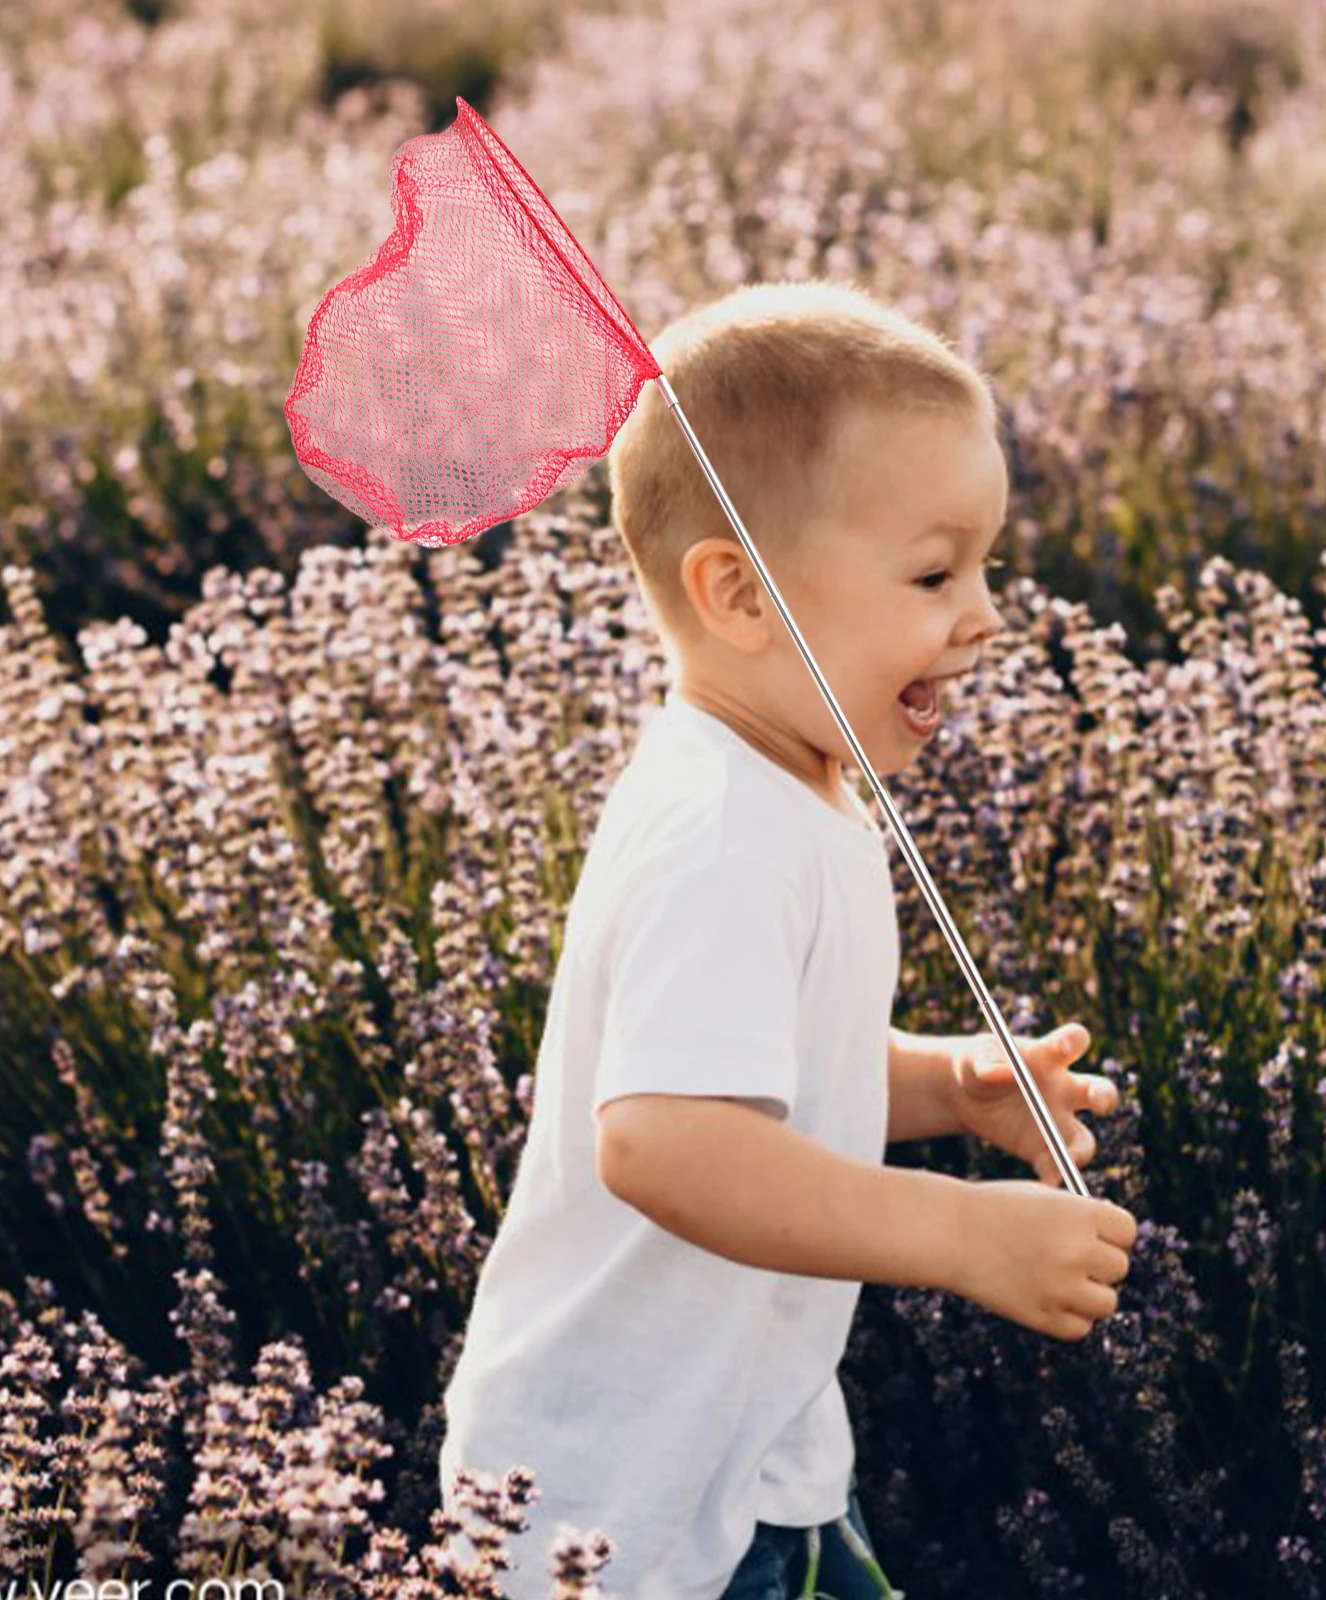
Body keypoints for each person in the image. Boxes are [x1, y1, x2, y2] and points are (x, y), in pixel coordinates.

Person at [438, 279, 1139, 1600]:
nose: (983, 612)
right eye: (935, 573)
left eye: (983, 564)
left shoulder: (791, 788)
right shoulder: (720, 834)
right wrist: (961, 1237)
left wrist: (943, 1087)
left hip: (753, 1464)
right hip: (614, 1519)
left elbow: (769, 1063)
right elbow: (672, 1138)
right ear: (740, 596)